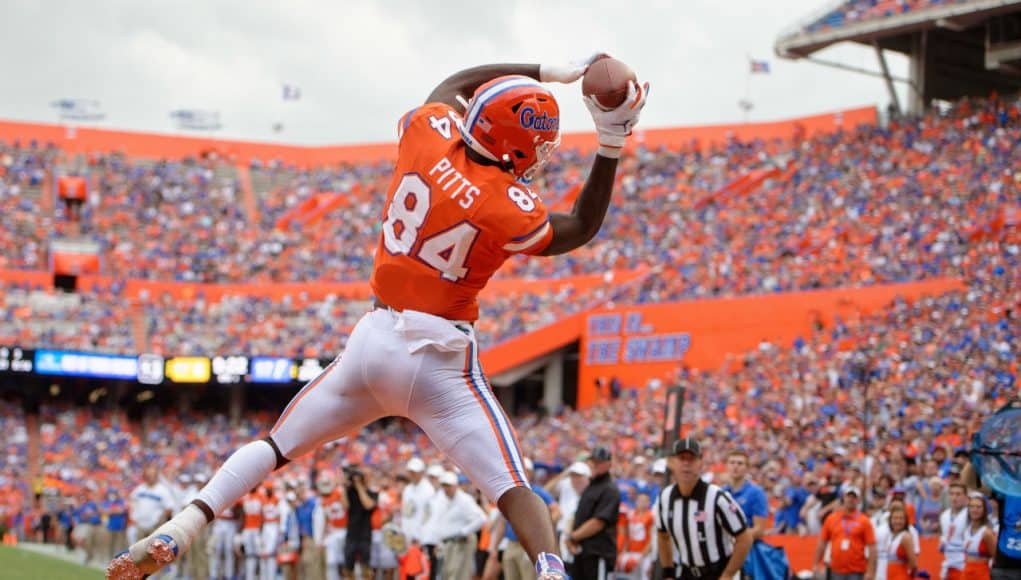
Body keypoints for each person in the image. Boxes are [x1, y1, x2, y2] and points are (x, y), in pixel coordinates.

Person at [107, 54, 649, 580]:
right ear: (513, 146)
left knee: (275, 448)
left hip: (373, 341)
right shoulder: (506, 203)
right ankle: (551, 571)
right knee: (511, 485)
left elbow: (454, 81)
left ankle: (184, 523)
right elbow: (579, 225)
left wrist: (539, 72)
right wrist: (610, 138)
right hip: (438, 361)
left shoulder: (427, 132)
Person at [655, 437, 753, 580]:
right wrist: (668, 572)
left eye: (692, 459)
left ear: (700, 462)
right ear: (671, 462)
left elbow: (745, 538)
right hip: (687, 572)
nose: (686, 464)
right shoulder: (665, 498)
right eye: (682, 458)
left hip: (718, 571)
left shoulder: (717, 497)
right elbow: (662, 536)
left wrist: (728, 574)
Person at [566, 446, 622, 579]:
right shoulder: (591, 485)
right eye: (593, 461)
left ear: (608, 464)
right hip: (582, 552)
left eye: (599, 462)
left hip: (598, 553)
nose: (595, 465)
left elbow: (598, 522)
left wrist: (573, 537)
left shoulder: (610, 489)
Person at [813, 486, 877, 580]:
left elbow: (872, 547)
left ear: (858, 500)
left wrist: (870, 571)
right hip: (836, 570)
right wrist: (816, 564)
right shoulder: (831, 518)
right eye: (848, 496)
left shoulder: (864, 521)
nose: (851, 499)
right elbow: (822, 542)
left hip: (857, 570)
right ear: (843, 497)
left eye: (854, 497)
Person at [433, 472, 487, 580]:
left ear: (455, 485)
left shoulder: (464, 500)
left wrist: (463, 532)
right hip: (447, 543)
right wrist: (438, 542)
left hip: (461, 543)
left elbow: (481, 518)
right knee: (447, 574)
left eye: (448, 485)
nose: (446, 488)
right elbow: (441, 523)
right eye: (444, 485)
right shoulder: (442, 499)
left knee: (458, 575)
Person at [344, 468, 378, 579]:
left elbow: (368, 505)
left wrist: (359, 487)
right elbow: (345, 506)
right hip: (351, 533)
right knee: (348, 567)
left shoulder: (372, 493)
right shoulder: (349, 492)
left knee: (366, 567)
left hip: (365, 534)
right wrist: (343, 487)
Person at [962, 492, 996, 580]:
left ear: (984, 510)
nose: (975, 510)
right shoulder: (966, 530)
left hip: (982, 573)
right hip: (966, 572)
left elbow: (996, 557)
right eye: (972, 506)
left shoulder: (987, 533)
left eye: (978, 507)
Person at [940, 483, 970, 580]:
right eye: (951, 494)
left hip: (964, 564)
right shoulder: (944, 515)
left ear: (965, 497)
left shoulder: (970, 514)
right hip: (948, 564)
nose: (954, 497)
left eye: (958, 494)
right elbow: (944, 537)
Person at [881, 504, 917, 580]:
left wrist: (910, 575)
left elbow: (914, 564)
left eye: (901, 518)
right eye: (895, 518)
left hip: (901, 576)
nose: (898, 521)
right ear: (890, 520)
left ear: (905, 521)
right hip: (889, 575)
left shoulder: (906, 537)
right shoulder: (890, 535)